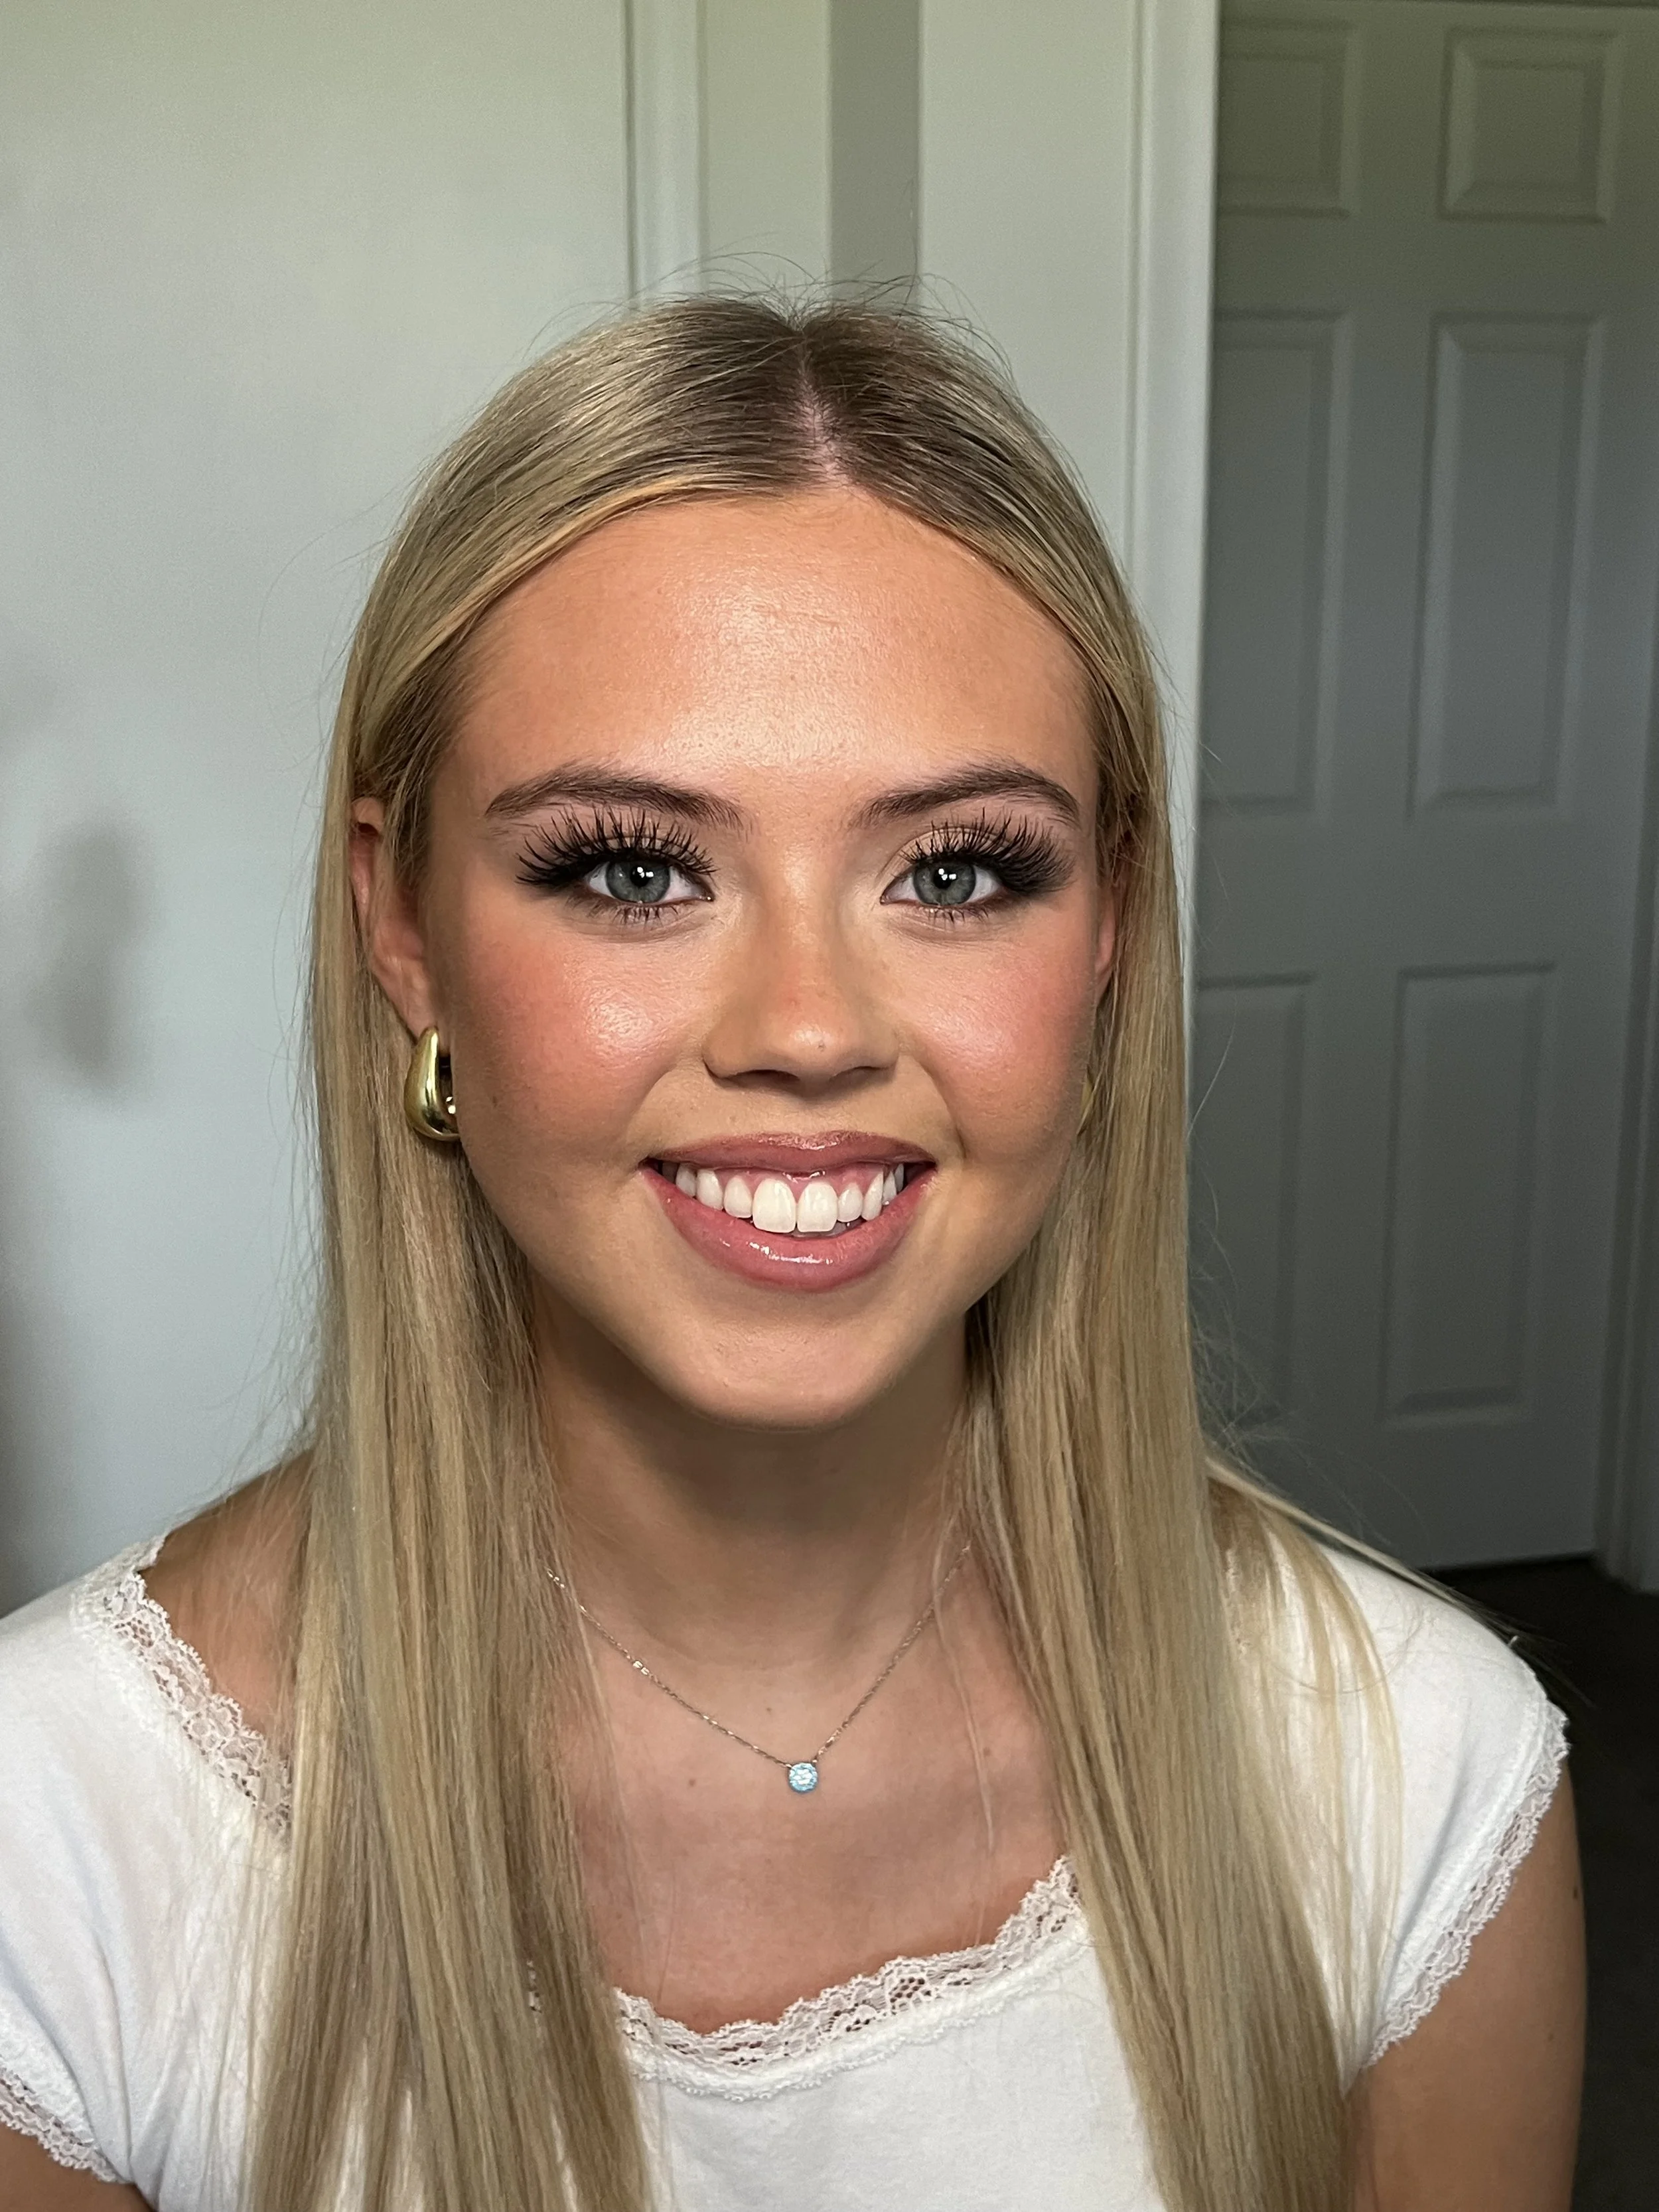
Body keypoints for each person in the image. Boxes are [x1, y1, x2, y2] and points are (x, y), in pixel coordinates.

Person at [0, 297, 1582, 2212]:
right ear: (400, 926)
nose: (811, 1025)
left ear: (1103, 942)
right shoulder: (55, 1840)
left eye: (956, 869)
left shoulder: (1418, 1775)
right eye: (630, 867)